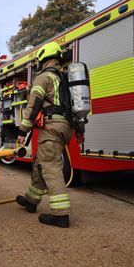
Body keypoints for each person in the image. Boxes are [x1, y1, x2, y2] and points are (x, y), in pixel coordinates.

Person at [15, 41, 85, 228]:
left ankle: (61, 215)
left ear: (44, 59)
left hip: (52, 127)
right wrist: (80, 130)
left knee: (51, 166)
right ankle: (31, 201)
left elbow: (34, 104)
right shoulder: (65, 79)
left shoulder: (43, 77)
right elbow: (76, 107)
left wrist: (23, 131)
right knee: (41, 163)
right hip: (67, 127)